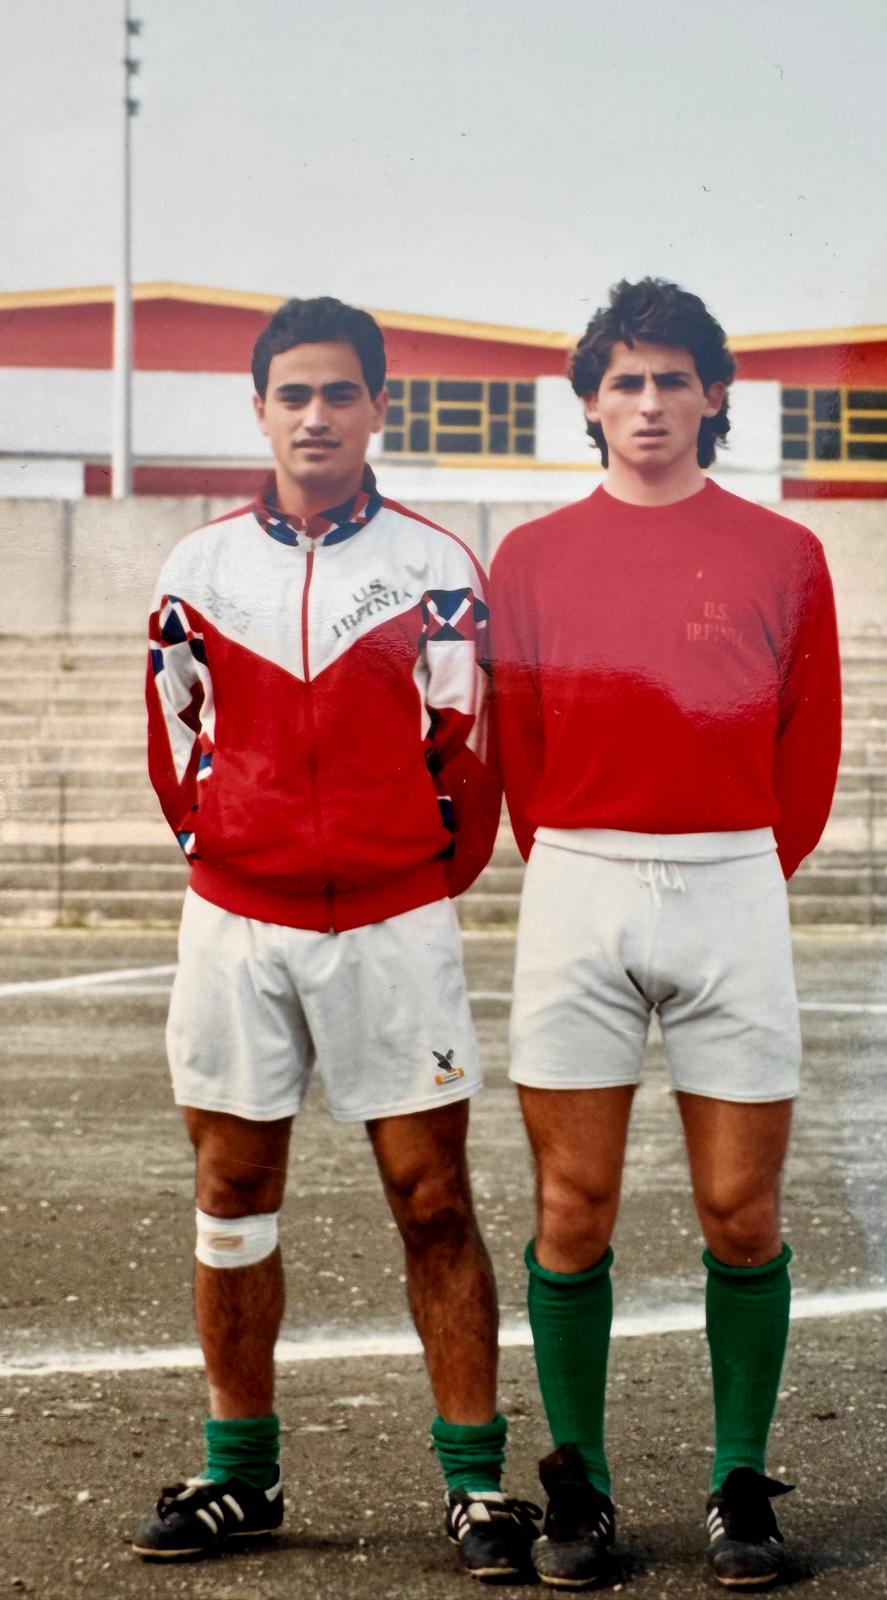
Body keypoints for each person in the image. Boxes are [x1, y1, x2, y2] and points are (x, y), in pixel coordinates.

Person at [137, 296, 539, 1580]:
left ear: (378, 407)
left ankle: (476, 1484)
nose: (316, 416)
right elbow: (174, 740)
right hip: (236, 922)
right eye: (294, 394)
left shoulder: (435, 566)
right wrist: (231, 850)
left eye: (340, 393)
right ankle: (239, 1472)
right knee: (231, 1190)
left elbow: (468, 748)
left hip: (391, 919)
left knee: (433, 1196)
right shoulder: (197, 568)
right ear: (259, 410)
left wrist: (407, 873)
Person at [489, 278, 841, 1590]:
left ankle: (739, 1481)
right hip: (578, 877)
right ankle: (577, 1484)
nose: (648, 402)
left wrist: (734, 867)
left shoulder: (783, 552)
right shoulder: (532, 556)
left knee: (740, 1211)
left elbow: (809, 744)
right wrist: (582, 860)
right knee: (572, 1207)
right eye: (624, 381)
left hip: (731, 878)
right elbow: (519, 750)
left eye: (671, 378)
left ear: (713, 395)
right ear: (590, 400)